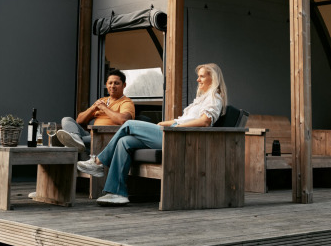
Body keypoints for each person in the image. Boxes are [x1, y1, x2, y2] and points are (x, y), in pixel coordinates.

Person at [77, 63, 228, 206]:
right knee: (125, 141)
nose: (198, 79)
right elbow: (183, 119)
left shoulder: (215, 98)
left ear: (213, 78)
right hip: (174, 131)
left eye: (201, 76)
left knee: (129, 124)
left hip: (179, 137)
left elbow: (205, 121)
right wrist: (165, 123)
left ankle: (98, 162)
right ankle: (117, 193)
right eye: (198, 76)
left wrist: (176, 126)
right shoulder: (201, 99)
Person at [54, 69, 135, 154]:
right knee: (66, 119)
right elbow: (79, 121)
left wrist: (104, 108)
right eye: (110, 83)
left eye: (116, 83)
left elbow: (123, 120)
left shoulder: (126, 102)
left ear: (124, 85)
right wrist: (92, 109)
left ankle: (76, 142)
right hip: (92, 135)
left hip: (107, 138)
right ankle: (75, 138)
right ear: (106, 85)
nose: (112, 86)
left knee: (69, 144)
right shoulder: (102, 100)